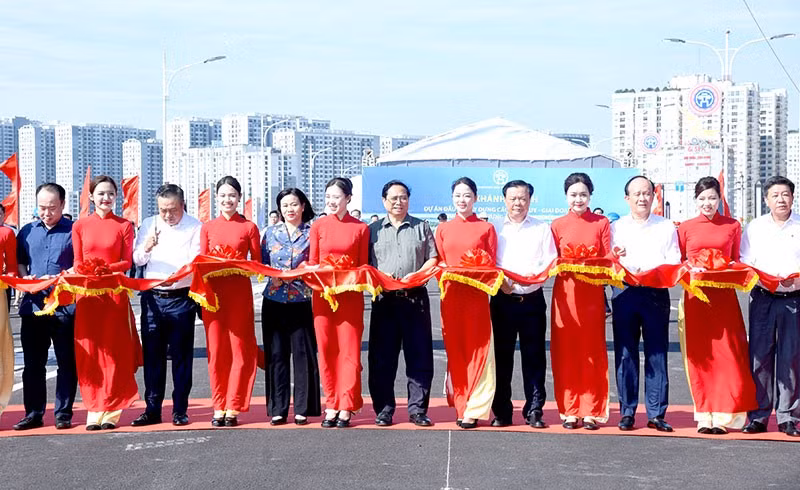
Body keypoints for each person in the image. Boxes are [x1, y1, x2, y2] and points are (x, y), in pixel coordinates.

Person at [677, 176, 757, 434]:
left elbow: (737, 260)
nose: (707, 203)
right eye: (702, 199)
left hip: (724, 301)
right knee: (701, 357)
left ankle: (725, 416)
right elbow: (678, 262)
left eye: (712, 198)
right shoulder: (685, 228)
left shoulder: (732, 226)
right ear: (695, 200)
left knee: (728, 355)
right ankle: (704, 415)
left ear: (720, 198)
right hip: (695, 299)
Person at [611, 176, 681, 432]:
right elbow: (610, 260)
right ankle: (627, 411)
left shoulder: (666, 226)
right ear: (627, 198)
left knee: (657, 353)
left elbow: (673, 258)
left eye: (647, 193)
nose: (642, 198)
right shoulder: (615, 228)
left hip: (654, 293)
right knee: (626, 353)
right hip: (625, 293)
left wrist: (650, 271)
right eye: (637, 194)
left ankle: (656, 412)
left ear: (654, 196)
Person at [368, 180, 438, 427]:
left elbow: (433, 259)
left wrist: (416, 275)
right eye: (394, 198)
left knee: (419, 356)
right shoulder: (373, 230)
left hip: (414, 299)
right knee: (382, 357)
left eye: (404, 197)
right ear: (384, 201)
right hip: (384, 300)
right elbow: (366, 265)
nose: (399, 202)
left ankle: (418, 409)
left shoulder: (422, 227)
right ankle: (384, 409)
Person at [131, 184, 201, 427]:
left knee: (181, 357)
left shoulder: (195, 227)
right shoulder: (149, 224)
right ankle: (152, 409)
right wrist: (147, 246)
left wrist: (176, 276)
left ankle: (180, 409)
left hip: (181, 297)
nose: (168, 215)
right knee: (152, 356)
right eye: (163, 210)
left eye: (172, 209)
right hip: (153, 298)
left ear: (182, 205)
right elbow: (137, 259)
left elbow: (195, 261)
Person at [71, 175, 138, 430]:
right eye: (100, 193)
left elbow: (127, 262)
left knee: (114, 353)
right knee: (90, 353)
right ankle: (93, 407)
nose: (106, 198)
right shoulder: (80, 226)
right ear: (91, 196)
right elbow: (77, 261)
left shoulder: (124, 225)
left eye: (110, 193)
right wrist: (89, 269)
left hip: (113, 295)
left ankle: (112, 408)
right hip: (87, 297)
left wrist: (104, 268)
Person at [489, 180, 556, 428]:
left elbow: (549, 261)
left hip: (532, 300)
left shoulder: (541, 228)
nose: (518, 203)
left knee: (535, 357)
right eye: (513, 198)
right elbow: (487, 260)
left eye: (523, 198)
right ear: (504, 200)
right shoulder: (494, 227)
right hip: (502, 298)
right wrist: (502, 283)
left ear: (530, 200)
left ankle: (535, 409)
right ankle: (502, 412)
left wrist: (528, 279)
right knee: (501, 357)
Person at [435, 177, 498, 429]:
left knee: (479, 350)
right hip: (450, 297)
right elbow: (439, 261)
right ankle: (462, 404)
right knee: (456, 350)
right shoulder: (443, 229)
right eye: (458, 195)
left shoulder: (486, 228)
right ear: (452, 198)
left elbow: (492, 264)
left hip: (476, 298)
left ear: (476, 198)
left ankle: (475, 406)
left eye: (467, 195)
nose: (462, 200)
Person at [550, 172, 611, 430]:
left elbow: (608, 258)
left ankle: (591, 410)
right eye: (573, 194)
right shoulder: (557, 225)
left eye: (583, 194)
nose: (578, 199)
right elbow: (549, 259)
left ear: (590, 196)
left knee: (592, 351)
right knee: (566, 351)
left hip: (591, 295)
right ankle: (569, 410)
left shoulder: (601, 223)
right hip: (565, 294)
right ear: (566, 196)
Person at [740, 176, 800, 437]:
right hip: (763, 297)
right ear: (766, 200)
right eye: (775, 195)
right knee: (760, 357)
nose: (781, 200)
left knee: (792, 358)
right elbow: (745, 260)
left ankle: (788, 416)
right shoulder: (755, 227)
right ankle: (758, 415)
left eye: (785, 194)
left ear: (793, 197)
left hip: (794, 299)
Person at [200, 176, 261, 427]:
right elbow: (201, 261)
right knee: (216, 350)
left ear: (239, 198)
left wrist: (238, 264)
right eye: (223, 195)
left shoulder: (249, 228)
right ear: (217, 198)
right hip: (212, 295)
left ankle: (234, 405)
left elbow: (257, 263)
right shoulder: (207, 228)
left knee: (240, 348)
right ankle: (218, 404)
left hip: (238, 292)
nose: (228, 200)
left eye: (232, 195)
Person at [309, 177, 369, 428]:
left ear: (348, 199)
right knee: (326, 350)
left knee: (350, 352)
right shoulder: (318, 226)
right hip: (322, 297)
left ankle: (347, 404)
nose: (331, 202)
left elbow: (364, 266)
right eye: (328, 197)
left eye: (337, 197)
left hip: (350, 297)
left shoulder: (361, 228)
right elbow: (312, 262)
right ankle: (331, 402)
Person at [261, 188, 321, 426]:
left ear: (303, 206)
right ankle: (278, 408)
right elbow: (262, 262)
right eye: (285, 205)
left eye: (294, 204)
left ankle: (303, 408)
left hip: (302, 300)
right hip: (274, 299)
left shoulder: (312, 232)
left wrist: (303, 276)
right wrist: (271, 276)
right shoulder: (270, 233)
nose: (290, 209)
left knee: (303, 355)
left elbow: (317, 263)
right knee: (276, 355)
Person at [14, 184, 72, 430]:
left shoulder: (74, 230)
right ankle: (33, 413)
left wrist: (63, 278)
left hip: (64, 306)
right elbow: (20, 262)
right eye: (42, 207)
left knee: (66, 362)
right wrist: (25, 278)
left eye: (52, 207)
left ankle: (63, 413)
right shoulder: (27, 231)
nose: (46, 212)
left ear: (62, 205)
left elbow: (80, 263)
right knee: (33, 363)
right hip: (33, 306)